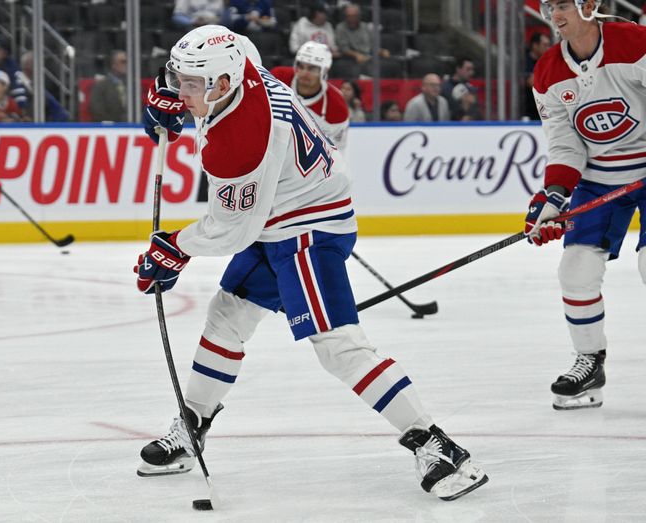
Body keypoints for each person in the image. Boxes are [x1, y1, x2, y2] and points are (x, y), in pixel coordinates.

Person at [134, 24, 488, 501]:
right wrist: (175, 99)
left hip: (306, 227)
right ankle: (192, 424)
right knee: (228, 314)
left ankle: (436, 445)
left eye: (190, 85)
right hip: (279, 214)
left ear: (222, 83)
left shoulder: (239, 142)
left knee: (337, 345)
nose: (181, 92)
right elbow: (232, 50)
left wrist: (173, 247)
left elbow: (231, 229)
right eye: (178, 80)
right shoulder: (239, 59)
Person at [525, 0, 646, 410]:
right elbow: (564, 142)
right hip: (597, 181)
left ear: (589, 5)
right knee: (575, 271)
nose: (554, 15)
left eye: (562, 5)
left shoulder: (634, 43)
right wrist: (554, 197)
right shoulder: (547, 72)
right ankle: (590, 363)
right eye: (548, 7)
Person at [270, 41, 349, 150]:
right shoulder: (277, 78)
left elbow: (336, 151)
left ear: (325, 70)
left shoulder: (336, 105)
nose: (304, 73)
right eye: (300, 66)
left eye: (312, 68)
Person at [11, 50, 69, 122]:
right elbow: (22, 109)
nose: (40, 68)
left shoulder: (32, 83)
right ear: (28, 65)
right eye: (37, 64)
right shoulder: (18, 83)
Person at [89, 49, 127, 122]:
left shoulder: (132, 85)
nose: (126, 64)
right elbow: (97, 110)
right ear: (113, 65)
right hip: (110, 130)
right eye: (123, 62)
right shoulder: (101, 86)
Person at [523, 32, 551, 120]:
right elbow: (532, 82)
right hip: (528, 112)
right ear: (535, 45)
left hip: (544, 111)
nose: (548, 48)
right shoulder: (525, 60)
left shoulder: (546, 61)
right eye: (545, 45)